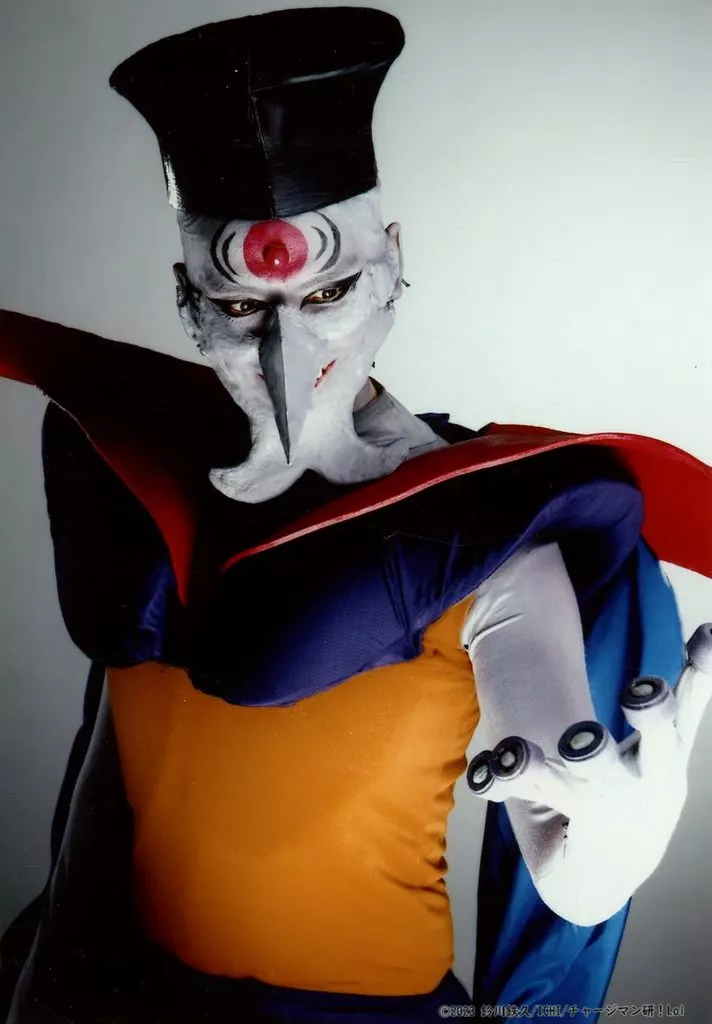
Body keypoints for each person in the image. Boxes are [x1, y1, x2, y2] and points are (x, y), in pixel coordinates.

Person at [1, 8, 711, 1023]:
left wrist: (607, 846)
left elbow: (561, 831)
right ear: (187, 297)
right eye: (241, 308)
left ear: (390, 266)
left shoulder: (488, 536)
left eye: (330, 290)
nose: (288, 355)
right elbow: (108, 783)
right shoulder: (140, 476)